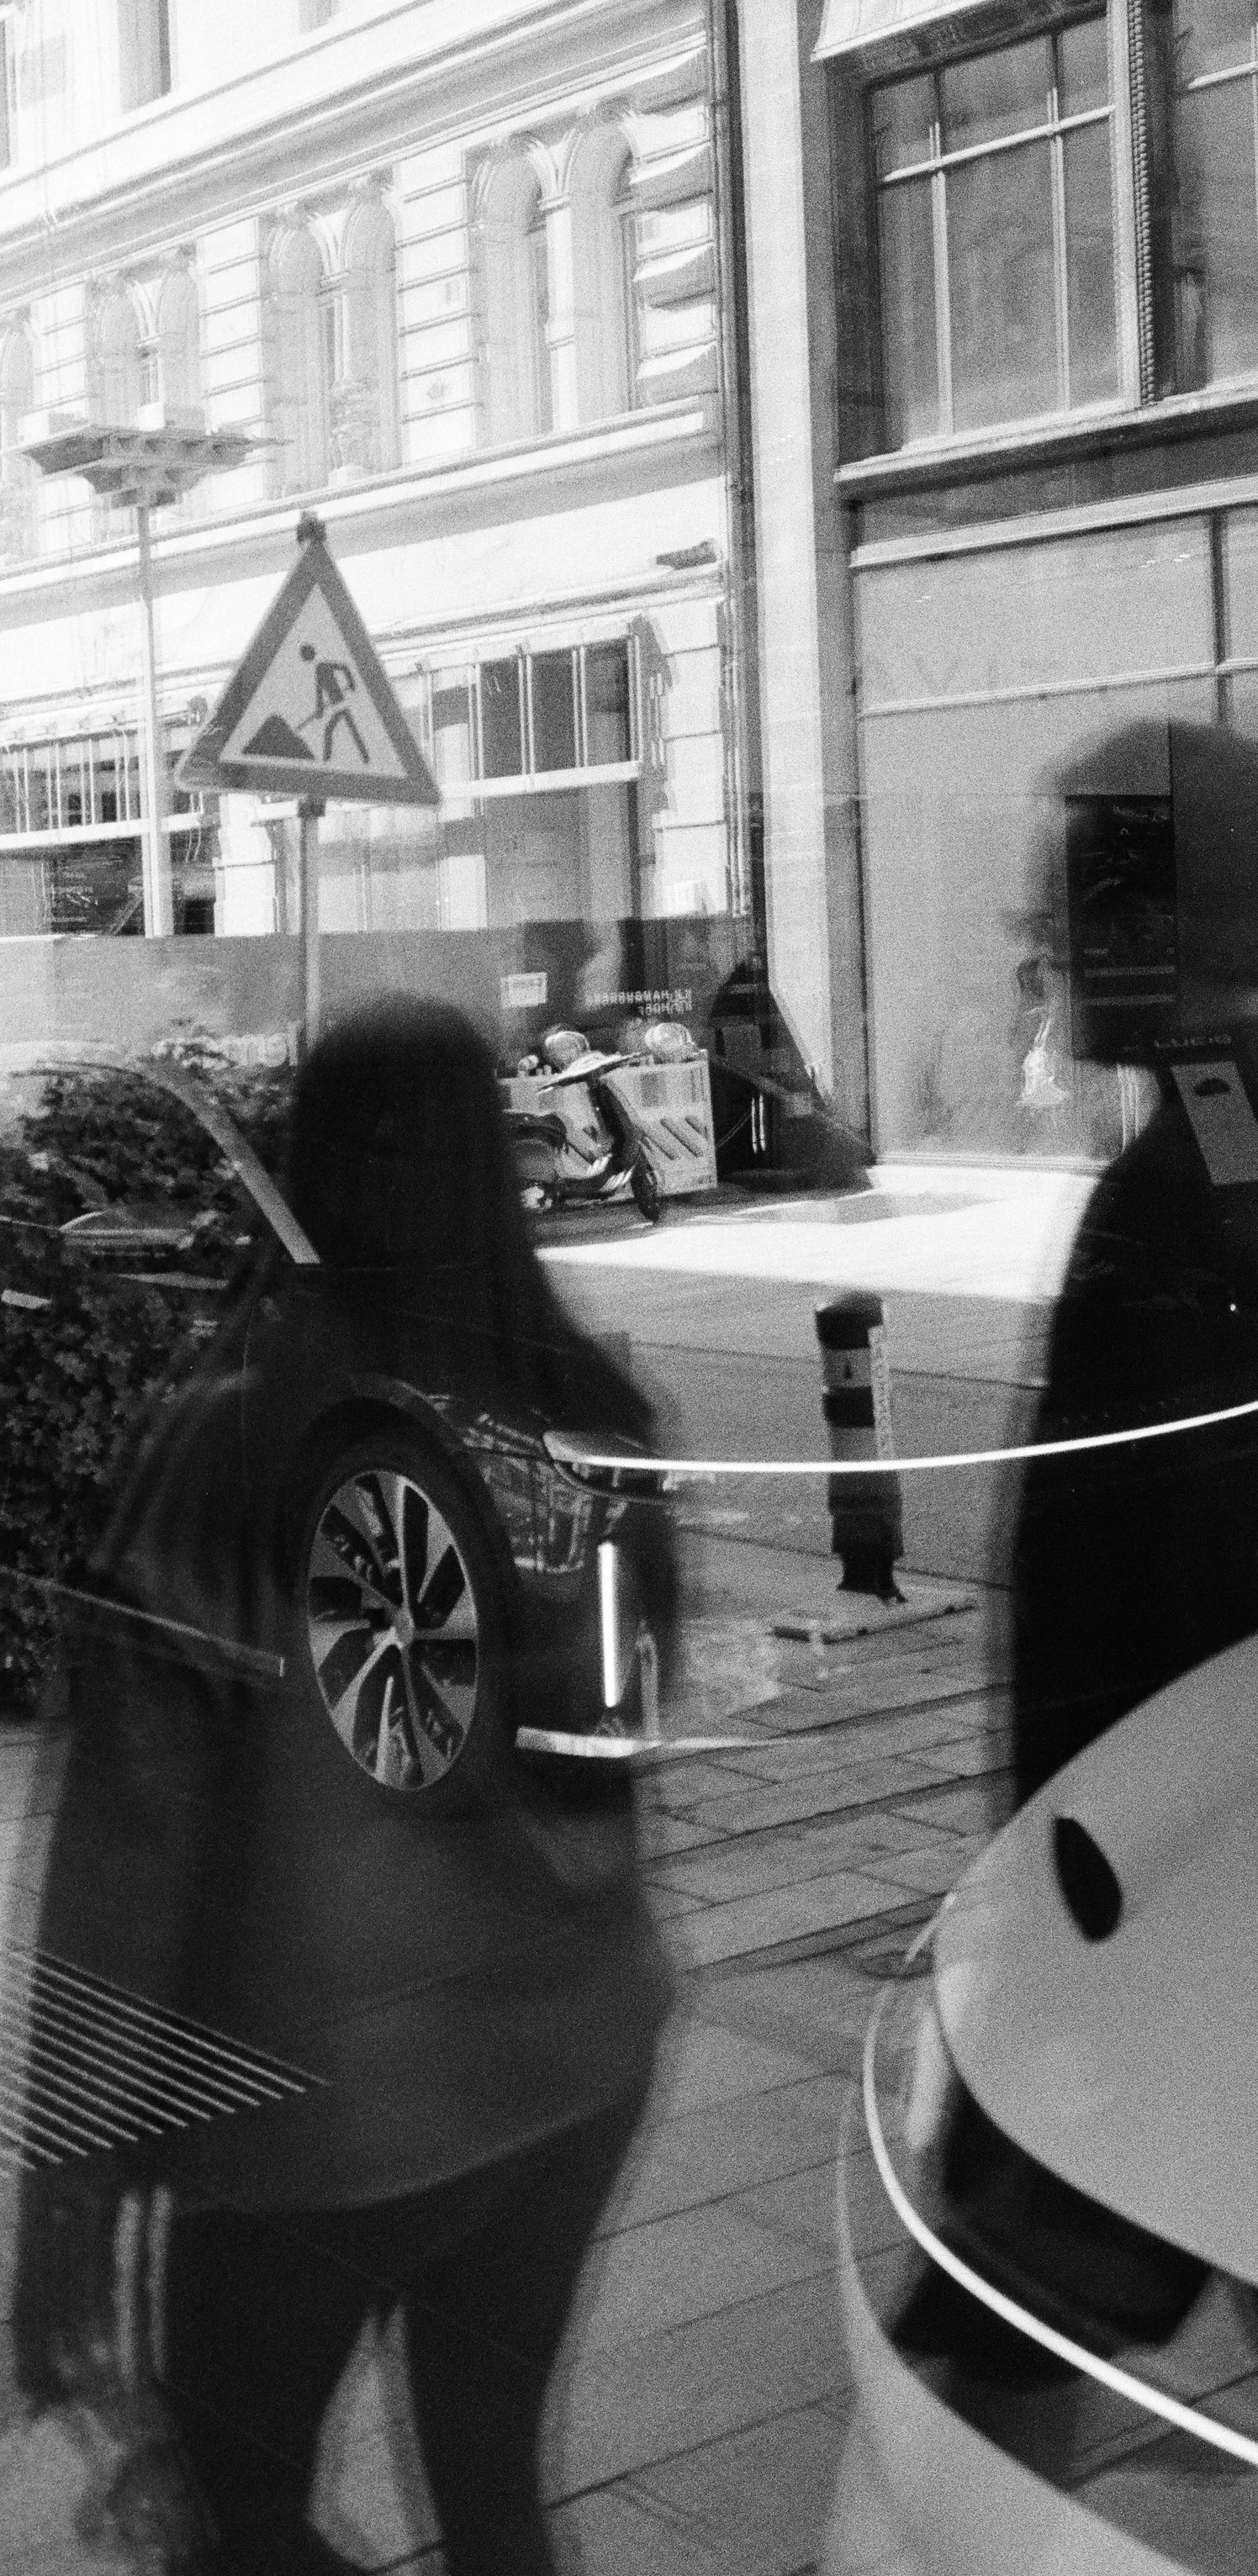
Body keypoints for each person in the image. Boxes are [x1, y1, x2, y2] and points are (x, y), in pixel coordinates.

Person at [12, 998, 669, 2576]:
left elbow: (128, 1856)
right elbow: (612, 1764)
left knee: (234, 2527)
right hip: (574, 2066)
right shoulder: (576, 1420)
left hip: (313, 2124)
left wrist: (68, 2197)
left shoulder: (239, 1447)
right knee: (499, 2496)